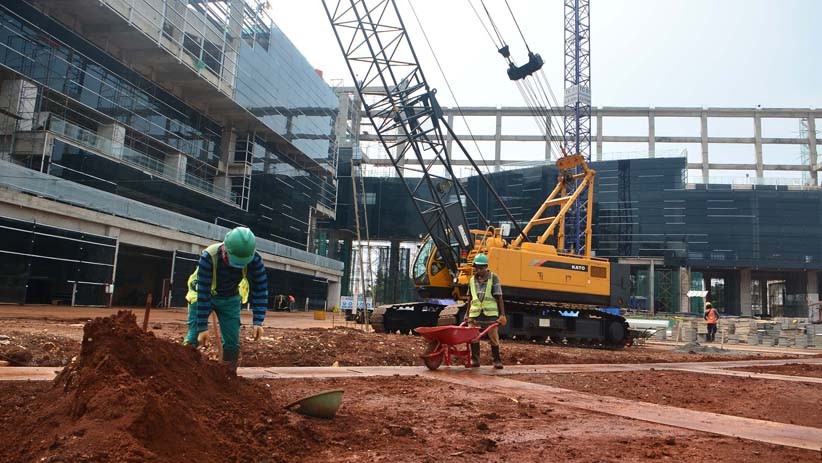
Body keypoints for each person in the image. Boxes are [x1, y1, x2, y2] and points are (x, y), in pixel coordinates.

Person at [184, 227, 268, 373]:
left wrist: (258, 321)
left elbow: (261, 289)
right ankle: (182, 371)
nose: (237, 266)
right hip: (204, 294)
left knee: (231, 344)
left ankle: (229, 377)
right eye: (234, 260)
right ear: (225, 249)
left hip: (230, 297)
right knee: (194, 337)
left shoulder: (254, 259)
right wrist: (202, 327)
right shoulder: (209, 257)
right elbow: (203, 292)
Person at [465, 253, 507, 369]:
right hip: (475, 314)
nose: (479, 270)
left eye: (481, 268)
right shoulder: (472, 280)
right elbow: (470, 298)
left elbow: (499, 297)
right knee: (473, 337)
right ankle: (475, 359)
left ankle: (497, 360)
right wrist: (466, 314)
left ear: (486, 267)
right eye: (477, 268)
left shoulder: (494, 278)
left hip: (490, 314)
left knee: (493, 337)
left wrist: (502, 314)